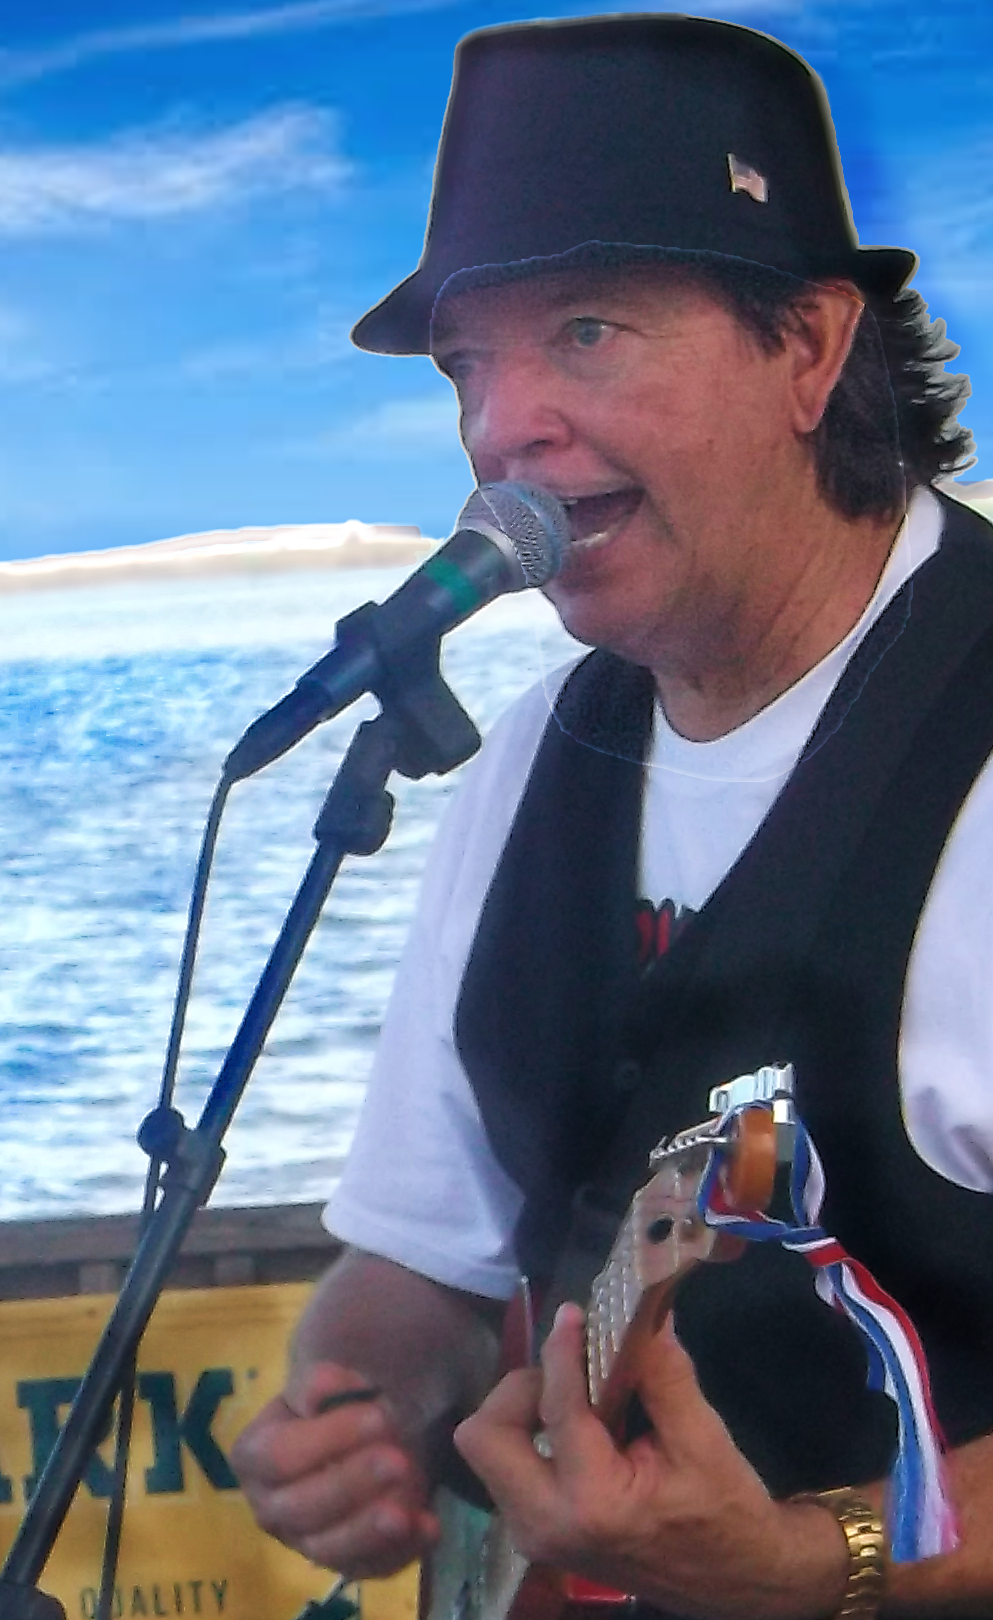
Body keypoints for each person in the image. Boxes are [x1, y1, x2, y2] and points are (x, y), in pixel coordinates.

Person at [231, 16, 993, 1617]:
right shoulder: (523, 768)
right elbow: (424, 1261)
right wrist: (356, 1416)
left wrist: (814, 1562)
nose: (501, 426)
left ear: (809, 349)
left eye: (584, 332)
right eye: (467, 365)